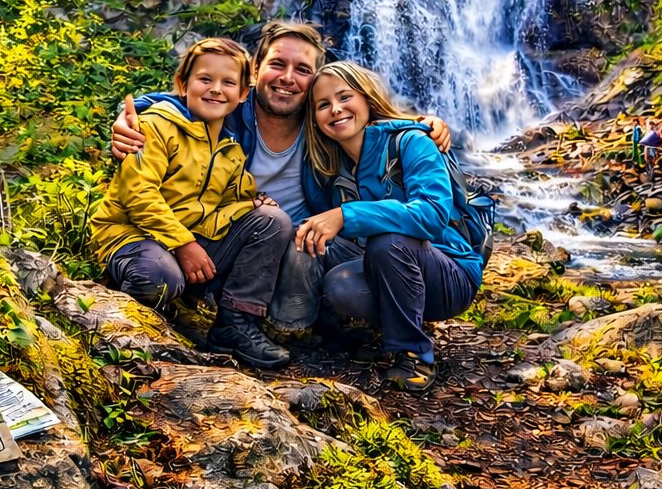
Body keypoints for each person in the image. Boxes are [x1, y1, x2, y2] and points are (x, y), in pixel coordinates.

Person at [110, 22, 452, 343]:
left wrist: (423, 124)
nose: (288, 78)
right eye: (277, 64)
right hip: (222, 241)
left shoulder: (324, 123)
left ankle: (304, 328)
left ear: (313, 80)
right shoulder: (228, 112)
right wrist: (132, 114)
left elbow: (370, 115)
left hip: (304, 251)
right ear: (255, 71)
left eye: (302, 69)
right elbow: (180, 104)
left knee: (313, 255)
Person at [91, 37, 294, 368]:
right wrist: (184, 243)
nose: (216, 89)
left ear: (243, 94)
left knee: (273, 221)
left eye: (228, 82)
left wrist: (252, 203)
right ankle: (126, 323)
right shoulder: (153, 126)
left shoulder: (230, 147)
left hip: (183, 239)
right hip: (131, 235)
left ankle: (234, 326)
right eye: (205, 79)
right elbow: (138, 194)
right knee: (160, 277)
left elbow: (230, 200)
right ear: (183, 84)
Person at [294, 62, 482, 392]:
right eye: (323, 105)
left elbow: (432, 215)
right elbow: (321, 224)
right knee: (333, 272)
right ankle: (333, 331)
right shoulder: (326, 165)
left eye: (344, 97)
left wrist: (346, 214)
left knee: (389, 240)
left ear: (368, 98)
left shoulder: (411, 142)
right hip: (386, 267)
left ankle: (414, 354)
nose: (335, 109)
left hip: (449, 273)